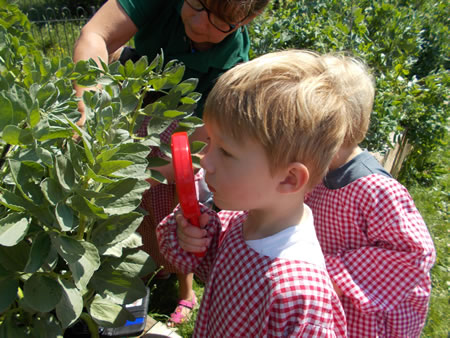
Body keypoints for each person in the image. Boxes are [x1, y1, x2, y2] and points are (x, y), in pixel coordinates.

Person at [73, 0, 269, 326]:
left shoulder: (232, 65)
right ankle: (139, 274)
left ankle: (185, 289)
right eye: (196, 3)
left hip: (188, 125)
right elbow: (95, 34)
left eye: (219, 21)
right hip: (144, 98)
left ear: (247, 19)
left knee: (176, 208)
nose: (199, 21)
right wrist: (88, 105)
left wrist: (138, 177)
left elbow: (198, 145)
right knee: (132, 215)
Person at [156, 50, 355, 336]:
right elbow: (188, 260)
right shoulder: (238, 223)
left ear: (289, 179)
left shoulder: (300, 295)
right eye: (209, 142)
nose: (205, 160)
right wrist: (188, 235)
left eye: (225, 151)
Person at [304, 55, 436, 337]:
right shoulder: (317, 172)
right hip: (329, 300)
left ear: (326, 127)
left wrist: (336, 273)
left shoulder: (374, 189)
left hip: (365, 315)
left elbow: (414, 254)